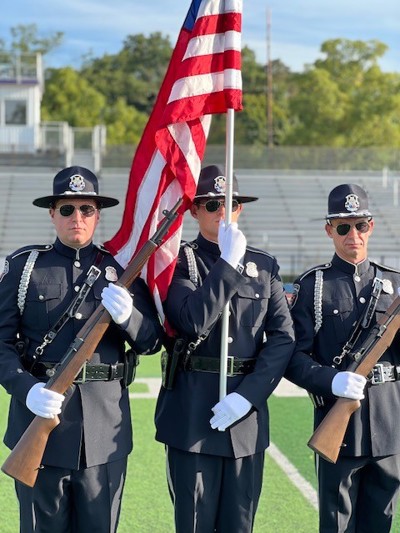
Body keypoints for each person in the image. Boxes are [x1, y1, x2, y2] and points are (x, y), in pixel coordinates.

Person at [0, 166, 162, 532]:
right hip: (40, 424)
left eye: (86, 209)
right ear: (52, 214)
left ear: (97, 215)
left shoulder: (121, 271)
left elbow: (152, 341)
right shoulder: (25, 268)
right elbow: (1, 344)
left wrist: (129, 316)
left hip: (103, 431)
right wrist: (26, 390)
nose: (78, 217)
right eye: (68, 209)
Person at [155, 164, 295, 533]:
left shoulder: (264, 266)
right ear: (194, 210)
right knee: (194, 524)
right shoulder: (179, 262)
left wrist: (248, 397)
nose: (222, 212)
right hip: (191, 415)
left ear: (240, 209)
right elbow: (192, 320)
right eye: (212, 204)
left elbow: (282, 338)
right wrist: (228, 263)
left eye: (229, 204)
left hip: (244, 418)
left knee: (240, 524)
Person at [285, 183, 400, 532]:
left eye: (360, 225)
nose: (354, 235)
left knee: (381, 523)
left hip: (389, 427)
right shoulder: (313, 286)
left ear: (371, 227)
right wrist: (330, 380)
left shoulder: (395, 285)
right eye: (343, 227)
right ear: (329, 230)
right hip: (340, 428)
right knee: (337, 525)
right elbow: (293, 357)